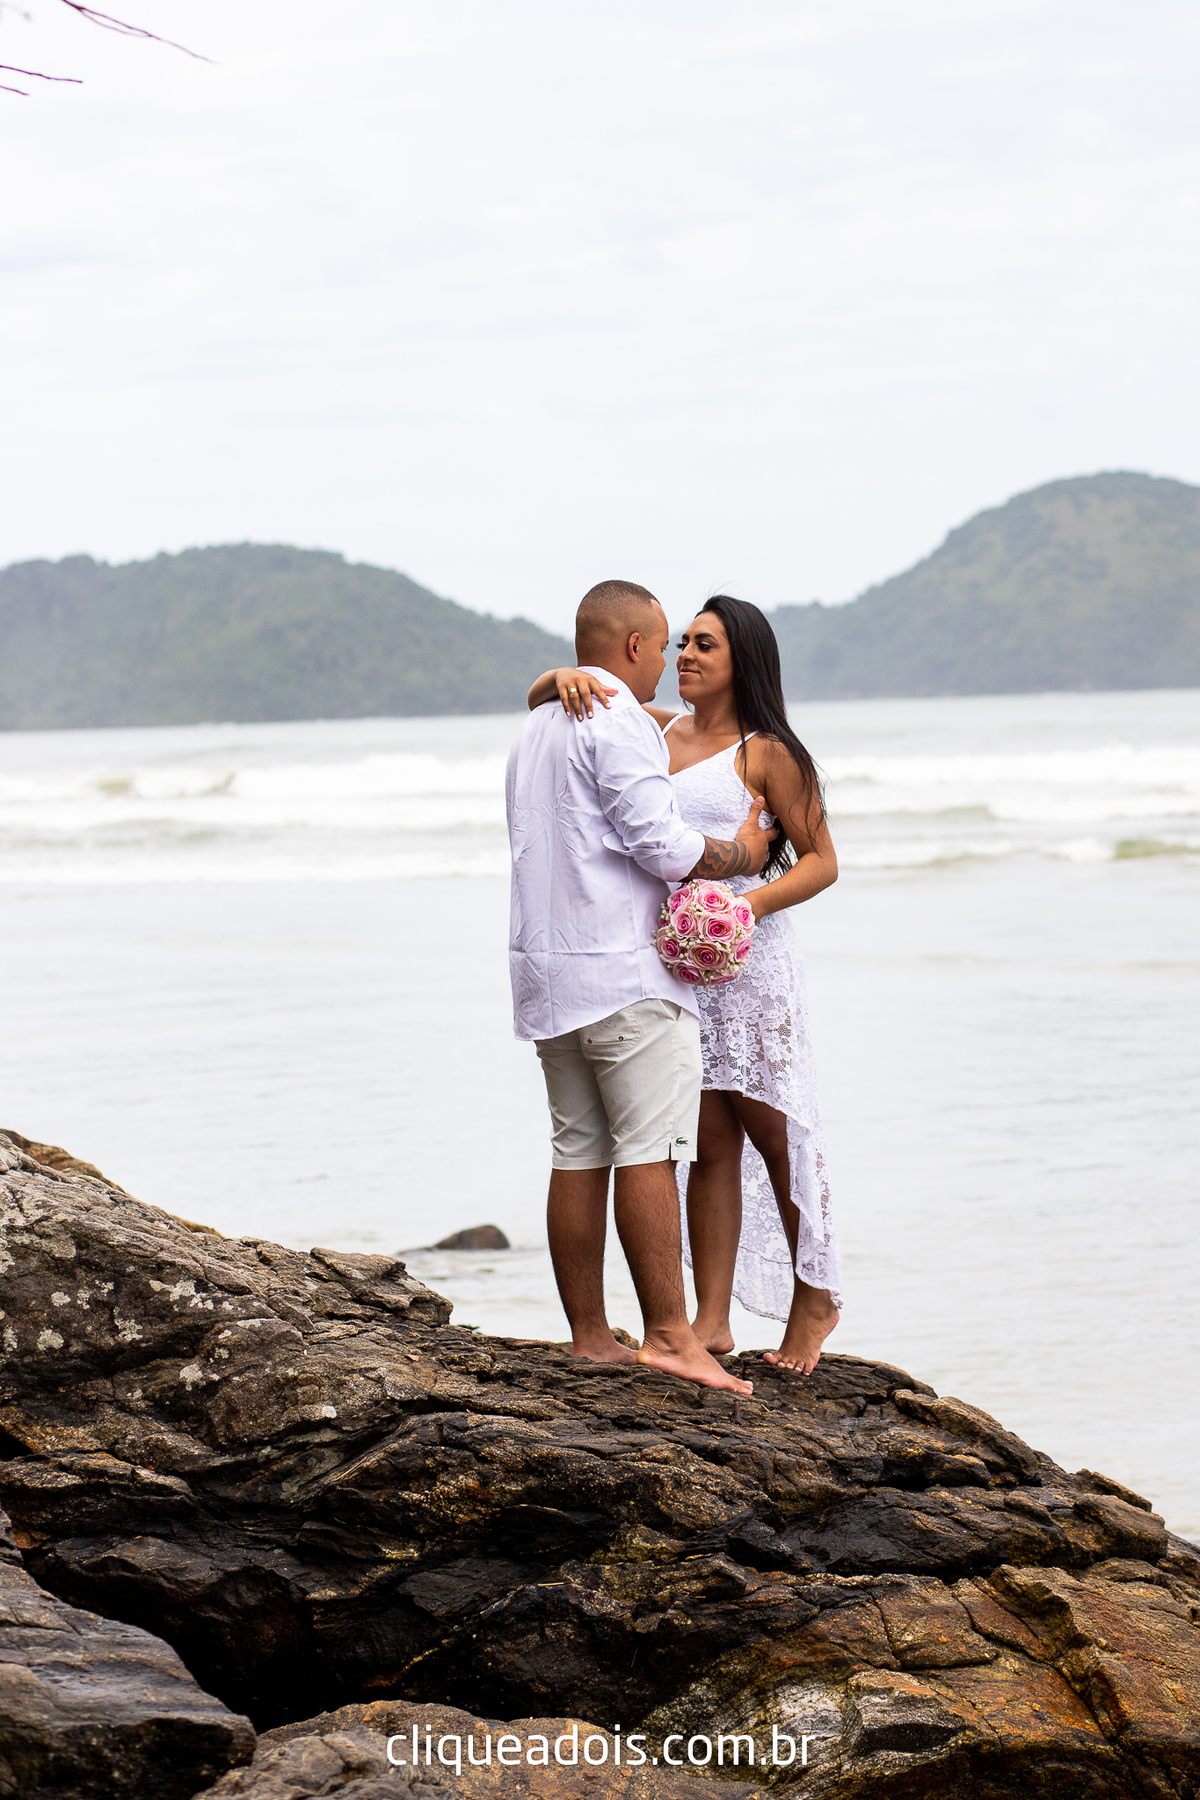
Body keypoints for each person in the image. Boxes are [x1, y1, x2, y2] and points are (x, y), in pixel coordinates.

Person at [526, 595, 842, 1373]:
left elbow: (822, 861)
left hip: (750, 959)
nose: (688, 657)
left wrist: (745, 909)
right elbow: (569, 699)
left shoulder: (768, 751)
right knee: (705, 1143)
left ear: (743, 663)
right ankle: (711, 1318)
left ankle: (817, 1297)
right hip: (680, 965)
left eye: (706, 646)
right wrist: (559, 675)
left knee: (774, 1133)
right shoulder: (655, 729)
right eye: (683, 644)